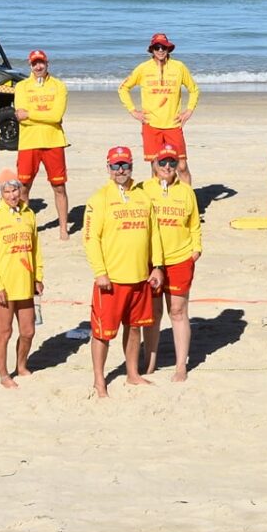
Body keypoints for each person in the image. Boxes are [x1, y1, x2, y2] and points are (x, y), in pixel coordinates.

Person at [85, 146, 164, 397]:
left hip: (140, 277)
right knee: (102, 333)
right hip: (112, 280)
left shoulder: (143, 197)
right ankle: (100, 380)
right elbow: (90, 239)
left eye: (125, 166)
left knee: (134, 329)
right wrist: (100, 272)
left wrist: (158, 267)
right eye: (116, 166)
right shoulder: (99, 199)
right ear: (108, 168)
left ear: (131, 167)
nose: (121, 170)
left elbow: (155, 234)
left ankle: (132, 374)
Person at [140, 145, 201, 382]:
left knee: (177, 311)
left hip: (180, 258)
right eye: (163, 162)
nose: (167, 167)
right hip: (152, 261)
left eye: (172, 162)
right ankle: (150, 362)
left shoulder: (186, 192)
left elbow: (195, 224)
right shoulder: (144, 189)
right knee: (153, 313)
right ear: (155, 163)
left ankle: (180, 366)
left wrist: (195, 250)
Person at [0, 169, 43, 388]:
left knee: (28, 331)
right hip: (3, 285)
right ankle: (3, 374)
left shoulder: (29, 215)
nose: (12, 195)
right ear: (1, 194)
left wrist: (38, 276)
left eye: (15, 190)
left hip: (25, 282)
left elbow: (36, 249)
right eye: (7, 191)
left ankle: (21, 365)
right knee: (4, 331)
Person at [119, 32, 201, 182]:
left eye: (164, 47)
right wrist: (133, 111)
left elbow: (194, 89)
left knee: (181, 166)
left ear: (168, 49)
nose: (161, 50)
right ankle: (158, 202)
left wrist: (189, 110)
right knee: (157, 167)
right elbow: (123, 88)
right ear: (152, 50)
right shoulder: (143, 68)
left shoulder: (179, 67)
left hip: (173, 124)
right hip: (151, 125)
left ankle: (188, 202)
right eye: (157, 47)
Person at [13, 49, 72, 238]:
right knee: (23, 186)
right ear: (30, 65)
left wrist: (31, 114)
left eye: (41, 63)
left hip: (53, 141)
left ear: (47, 64)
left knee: (59, 187)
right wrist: (40, 117)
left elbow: (56, 116)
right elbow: (20, 117)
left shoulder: (59, 86)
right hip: (29, 142)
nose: (38, 66)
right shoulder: (21, 87)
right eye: (34, 63)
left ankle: (63, 227)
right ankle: (24, 226)